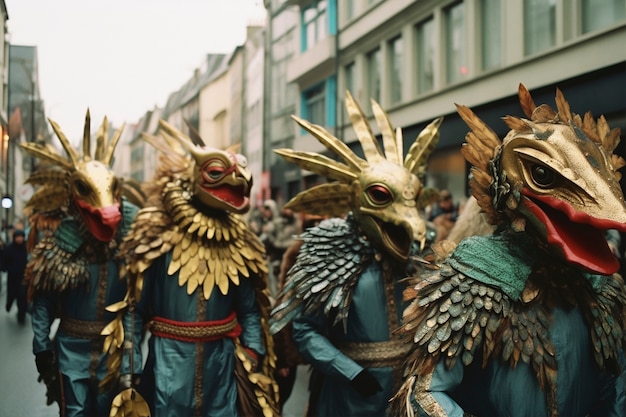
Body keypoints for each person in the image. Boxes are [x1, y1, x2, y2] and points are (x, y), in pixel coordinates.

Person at [389, 84, 626, 417]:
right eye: (541, 174)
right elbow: (426, 394)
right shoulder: (471, 276)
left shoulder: (601, 288)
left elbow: (615, 382)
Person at [270, 91, 443, 416]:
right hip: (349, 398)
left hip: (407, 392)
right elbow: (305, 329)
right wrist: (350, 371)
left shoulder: (422, 252)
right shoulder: (329, 251)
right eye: (381, 196)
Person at [103, 120, 279, 417]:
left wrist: (251, 352)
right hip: (168, 364)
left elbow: (250, 310)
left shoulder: (241, 244)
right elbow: (134, 309)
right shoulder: (157, 239)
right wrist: (130, 367)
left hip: (221, 367)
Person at [22, 113, 140, 416]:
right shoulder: (57, 248)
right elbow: (43, 302)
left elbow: (132, 309)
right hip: (70, 348)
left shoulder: (127, 248)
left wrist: (132, 361)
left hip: (111, 353)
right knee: (74, 412)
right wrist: (42, 347)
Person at [2, 229, 28, 324]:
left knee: (22, 296)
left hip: (23, 277)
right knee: (11, 294)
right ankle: (8, 305)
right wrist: (6, 268)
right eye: (17, 237)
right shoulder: (9, 248)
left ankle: (21, 316)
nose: (19, 239)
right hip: (12, 277)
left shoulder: (26, 248)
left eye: (21, 237)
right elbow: (3, 260)